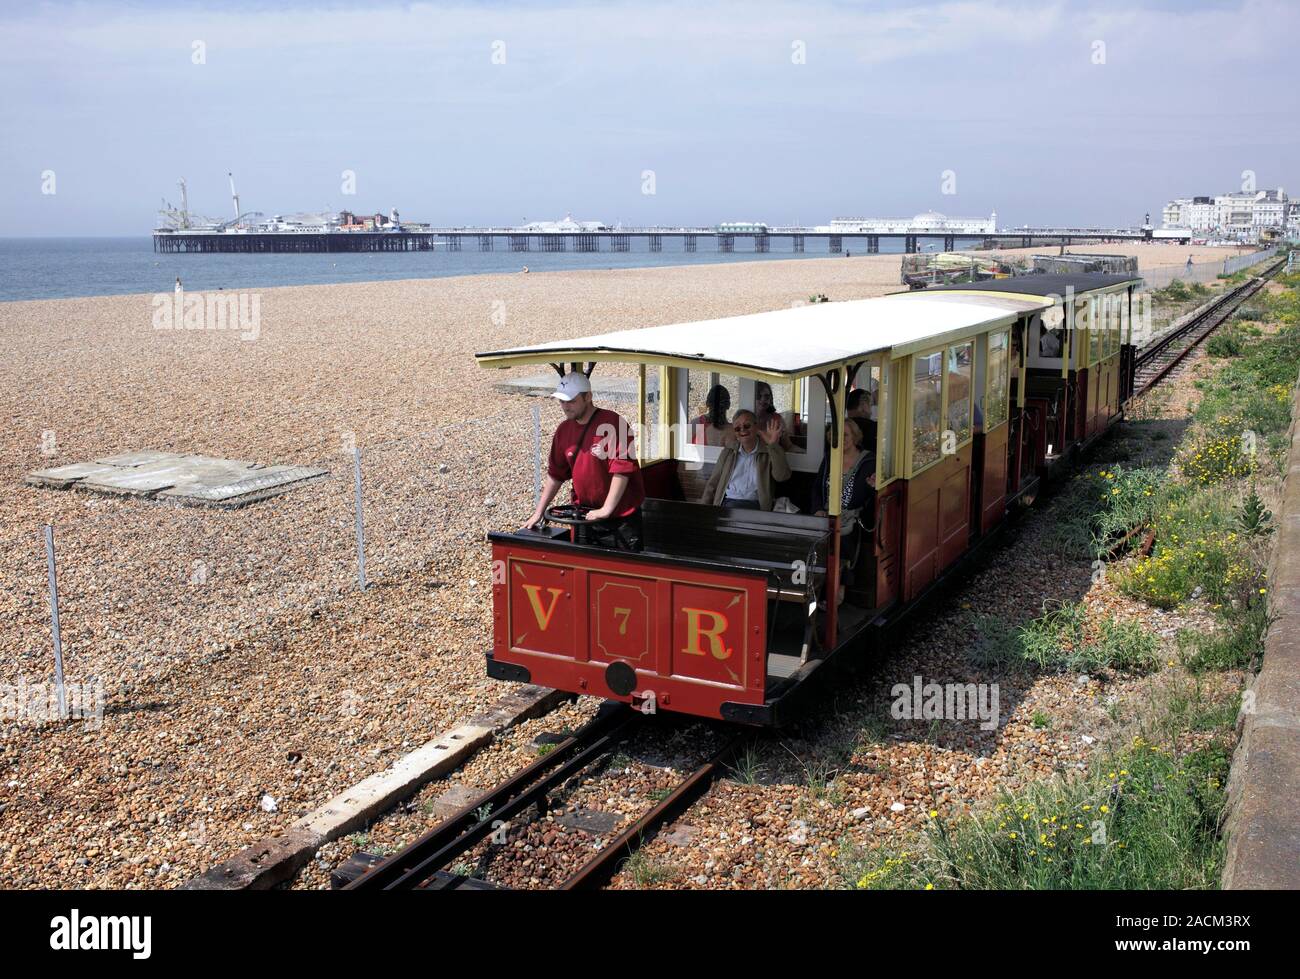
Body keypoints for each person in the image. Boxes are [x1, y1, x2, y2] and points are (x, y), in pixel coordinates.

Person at [525, 372, 645, 551]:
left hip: (620, 521)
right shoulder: (564, 430)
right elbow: (556, 474)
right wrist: (539, 511)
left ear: (588, 397)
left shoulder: (613, 423)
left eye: (571, 401)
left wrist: (606, 509)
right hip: (584, 516)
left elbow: (622, 470)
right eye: (562, 401)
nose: (565, 406)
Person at [701, 410, 791, 510]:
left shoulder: (768, 452)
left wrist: (773, 445)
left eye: (747, 426)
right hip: (728, 502)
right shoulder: (729, 452)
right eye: (737, 428)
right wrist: (703, 510)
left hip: (755, 505)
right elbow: (713, 483)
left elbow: (782, 476)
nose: (742, 430)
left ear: (756, 427)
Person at [754, 381, 803, 451]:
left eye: (767, 396)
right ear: (751, 397)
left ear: (771, 399)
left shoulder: (777, 419)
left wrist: (804, 453)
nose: (763, 399)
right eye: (758, 396)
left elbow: (788, 446)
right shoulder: (746, 419)